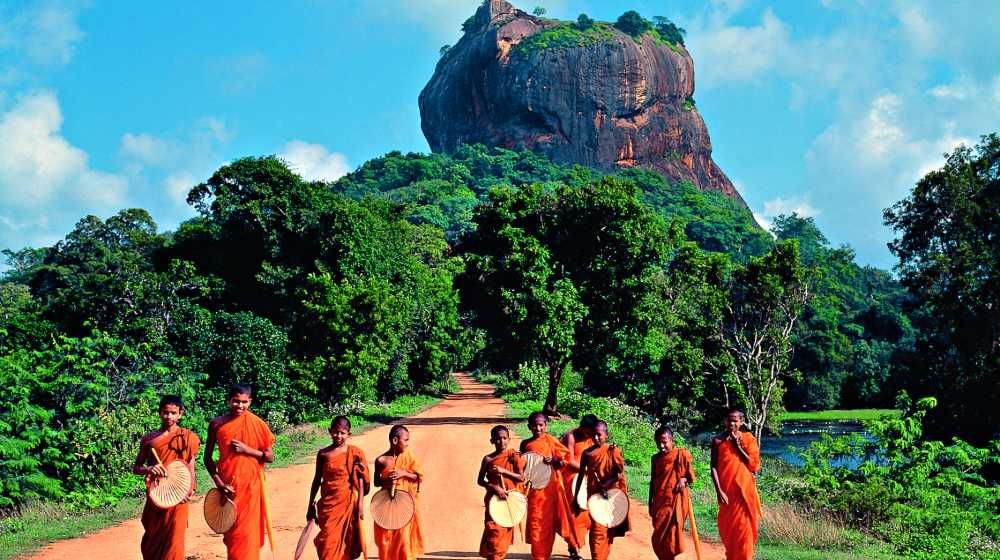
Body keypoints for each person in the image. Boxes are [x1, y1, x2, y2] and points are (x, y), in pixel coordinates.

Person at [204, 384, 276, 560]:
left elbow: (269, 457)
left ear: (250, 402)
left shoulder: (257, 424)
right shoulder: (217, 424)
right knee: (233, 536)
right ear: (229, 400)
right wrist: (220, 485)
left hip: (251, 487)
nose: (240, 406)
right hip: (229, 488)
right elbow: (207, 459)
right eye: (236, 401)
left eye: (244, 402)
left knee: (247, 534)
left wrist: (247, 450)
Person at [133, 395, 200, 560]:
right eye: (165, 412)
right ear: (159, 413)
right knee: (153, 537)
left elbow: (190, 465)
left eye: (173, 413)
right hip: (157, 493)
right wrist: (150, 469)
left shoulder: (187, 437)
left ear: (180, 414)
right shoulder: (149, 439)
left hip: (179, 494)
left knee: (174, 539)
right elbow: (136, 468)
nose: (169, 416)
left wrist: (190, 488)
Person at [307, 416, 371, 560]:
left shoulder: (355, 453)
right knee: (328, 541)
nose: (339, 436)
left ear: (349, 434)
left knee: (347, 542)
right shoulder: (323, 454)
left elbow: (360, 479)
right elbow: (317, 480)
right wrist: (310, 505)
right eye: (336, 432)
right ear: (330, 431)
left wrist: (360, 504)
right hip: (328, 506)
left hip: (347, 503)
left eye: (342, 433)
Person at [520, 412, 580, 560]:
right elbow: (522, 465)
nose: (538, 428)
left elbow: (563, 462)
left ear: (546, 426)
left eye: (541, 425)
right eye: (534, 425)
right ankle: (540, 555)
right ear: (529, 427)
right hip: (535, 490)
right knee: (538, 521)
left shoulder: (551, 441)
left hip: (553, 488)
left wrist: (554, 460)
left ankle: (573, 546)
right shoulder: (525, 444)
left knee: (562, 519)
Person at [711, 408, 762, 560]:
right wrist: (719, 491)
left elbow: (754, 466)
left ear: (741, 422)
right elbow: (713, 466)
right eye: (729, 420)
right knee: (730, 535)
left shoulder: (748, 439)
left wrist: (738, 446)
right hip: (727, 494)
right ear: (725, 421)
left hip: (744, 495)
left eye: (735, 420)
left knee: (744, 536)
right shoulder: (718, 441)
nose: (732, 423)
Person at [574, 421, 630, 560]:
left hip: (611, 497)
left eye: (599, 435)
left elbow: (619, 474)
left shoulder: (612, 451)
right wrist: (575, 498)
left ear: (606, 435)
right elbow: (581, 475)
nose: (596, 438)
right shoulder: (587, 453)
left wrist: (607, 484)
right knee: (597, 531)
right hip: (594, 498)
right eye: (594, 435)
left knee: (606, 531)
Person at [374, 424, 424, 560]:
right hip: (387, 504)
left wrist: (404, 474)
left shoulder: (409, 457)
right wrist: (386, 480)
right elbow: (376, 482)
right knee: (385, 539)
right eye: (406, 440)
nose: (408, 444)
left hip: (405, 505)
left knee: (403, 539)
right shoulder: (381, 460)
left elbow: (419, 477)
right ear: (395, 441)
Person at [478, 425, 525, 560]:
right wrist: (494, 487)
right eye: (498, 439)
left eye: (504, 438)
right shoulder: (488, 459)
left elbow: (521, 478)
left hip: (510, 500)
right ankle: (494, 555)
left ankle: (497, 556)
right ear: (492, 441)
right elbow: (480, 481)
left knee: (503, 535)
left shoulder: (513, 456)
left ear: (509, 439)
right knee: (493, 531)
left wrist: (503, 471)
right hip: (494, 501)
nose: (501, 442)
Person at [649, 426, 696, 560]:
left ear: (672, 440)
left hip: (676, 502)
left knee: (672, 535)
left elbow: (691, 477)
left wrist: (683, 479)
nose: (661, 446)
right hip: (660, 502)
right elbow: (653, 481)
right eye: (658, 443)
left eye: (664, 442)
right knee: (659, 536)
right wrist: (649, 502)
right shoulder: (655, 458)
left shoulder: (681, 454)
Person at [561, 414, 598, 560]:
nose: (589, 435)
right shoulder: (571, 437)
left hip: (589, 480)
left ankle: (577, 544)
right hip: (572, 480)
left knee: (588, 516)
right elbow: (569, 460)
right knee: (575, 514)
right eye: (588, 431)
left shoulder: (593, 437)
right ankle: (573, 547)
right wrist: (587, 470)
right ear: (582, 427)